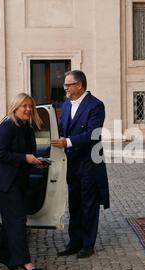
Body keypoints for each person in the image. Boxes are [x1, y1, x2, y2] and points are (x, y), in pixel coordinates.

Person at [52, 70, 110, 259]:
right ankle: (74, 242)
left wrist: (67, 142)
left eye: (68, 85)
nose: (65, 88)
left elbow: (94, 133)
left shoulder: (96, 105)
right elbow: (62, 128)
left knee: (88, 204)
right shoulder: (66, 104)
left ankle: (87, 244)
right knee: (74, 203)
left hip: (89, 162)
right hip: (71, 161)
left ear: (79, 85)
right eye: (65, 85)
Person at [0, 93, 44, 270]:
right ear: (15, 108)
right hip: (4, 182)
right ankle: (24, 261)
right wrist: (25, 158)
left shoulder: (27, 128)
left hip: (18, 181)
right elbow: (1, 154)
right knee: (18, 219)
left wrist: (37, 162)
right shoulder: (7, 126)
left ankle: (4, 256)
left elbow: (28, 154)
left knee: (11, 219)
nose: (27, 109)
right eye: (23, 106)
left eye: (30, 106)